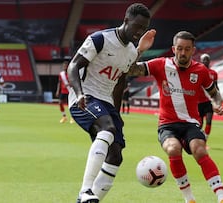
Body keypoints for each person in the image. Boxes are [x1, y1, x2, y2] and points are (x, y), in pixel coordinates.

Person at [67, 3, 154, 203]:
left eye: (143, 28)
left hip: (105, 102)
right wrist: (79, 94)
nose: (138, 32)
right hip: (85, 96)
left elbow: (120, 80)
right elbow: (73, 66)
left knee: (115, 156)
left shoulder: (131, 51)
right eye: (137, 26)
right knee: (106, 129)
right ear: (126, 21)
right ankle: (85, 190)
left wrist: (116, 111)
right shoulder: (100, 39)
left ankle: (87, 201)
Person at [129, 31, 223, 203]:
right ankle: (189, 199)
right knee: (173, 149)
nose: (183, 53)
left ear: (193, 50)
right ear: (173, 49)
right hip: (167, 124)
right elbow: (131, 69)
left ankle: (222, 197)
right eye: (180, 49)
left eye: (187, 49)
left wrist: (218, 103)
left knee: (199, 149)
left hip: (191, 123)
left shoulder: (201, 71)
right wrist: (139, 50)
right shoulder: (161, 64)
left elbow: (214, 92)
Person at [197, 53, 218, 142]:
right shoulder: (197, 71)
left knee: (209, 121)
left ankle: (205, 139)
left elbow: (216, 87)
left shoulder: (213, 73)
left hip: (209, 101)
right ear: (201, 61)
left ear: (209, 61)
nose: (205, 61)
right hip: (198, 101)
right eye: (204, 59)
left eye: (207, 59)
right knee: (199, 124)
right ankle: (199, 138)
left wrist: (217, 99)